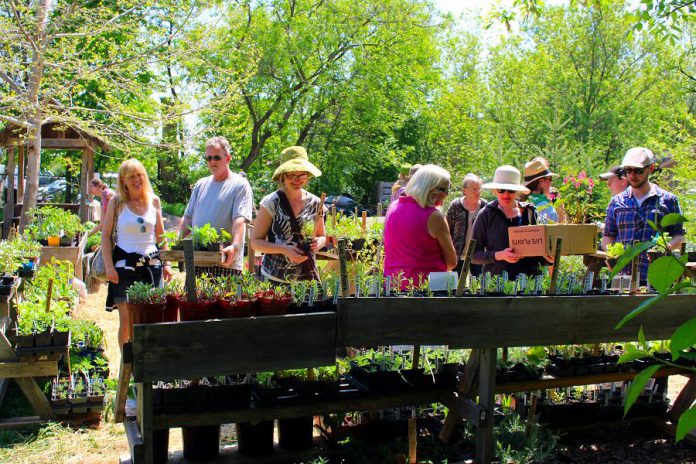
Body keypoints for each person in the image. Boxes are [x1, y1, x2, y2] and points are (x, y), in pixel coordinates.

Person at [102, 159, 172, 349]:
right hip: (124, 268)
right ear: (123, 180)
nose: (137, 180)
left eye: (139, 175)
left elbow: (162, 237)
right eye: (131, 176)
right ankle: (128, 368)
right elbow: (106, 236)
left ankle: (149, 365)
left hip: (152, 267)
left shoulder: (154, 200)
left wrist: (167, 264)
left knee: (152, 319)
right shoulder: (116, 203)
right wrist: (109, 266)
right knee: (127, 322)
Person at [602, 147, 685, 283]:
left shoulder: (668, 200)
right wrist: (612, 253)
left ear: (650, 168)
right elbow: (608, 236)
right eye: (628, 170)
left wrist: (665, 248)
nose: (633, 175)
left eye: (638, 170)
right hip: (623, 277)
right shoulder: (616, 202)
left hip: (656, 276)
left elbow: (679, 235)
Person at [179, 136, 254, 276]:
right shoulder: (200, 184)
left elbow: (239, 220)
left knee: (225, 298)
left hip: (225, 261)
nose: (212, 161)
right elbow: (188, 217)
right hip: (198, 260)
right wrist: (177, 241)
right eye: (208, 158)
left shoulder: (239, 185)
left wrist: (235, 247)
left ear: (228, 158)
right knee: (190, 298)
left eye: (217, 157)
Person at [252, 146, 327, 283]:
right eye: (291, 175)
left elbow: (322, 236)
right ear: (283, 176)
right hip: (275, 280)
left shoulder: (316, 203)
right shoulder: (271, 202)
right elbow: (256, 242)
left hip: (307, 279)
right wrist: (284, 249)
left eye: (301, 175)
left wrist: (319, 243)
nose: (297, 180)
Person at [471, 165, 553, 279]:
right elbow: (473, 254)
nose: (506, 194)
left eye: (511, 190)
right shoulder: (486, 214)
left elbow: (538, 253)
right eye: (501, 190)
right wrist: (499, 255)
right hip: (496, 287)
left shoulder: (530, 212)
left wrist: (548, 257)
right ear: (495, 191)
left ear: (517, 191)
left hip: (528, 286)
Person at [383, 164, 457, 290]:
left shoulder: (393, 207)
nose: (446, 195)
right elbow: (451, 261)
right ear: (430, 187)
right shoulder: (434, 216)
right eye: (444, 189)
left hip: (393, 285)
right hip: (427, 289)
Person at [446, 173, 487, 276]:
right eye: (474, 189)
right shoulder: (456, 205)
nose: (478, 192)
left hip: (478, 254)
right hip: (457, 254)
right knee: (455, 286)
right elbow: (447, 229)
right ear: (464, 190)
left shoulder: (485, 207)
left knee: (479, 286)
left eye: (479, 188)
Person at [522, 157, 559, 223]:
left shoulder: (520, 205)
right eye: (550, 179)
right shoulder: (548, 210)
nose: (551, 183)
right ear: (541, 181)